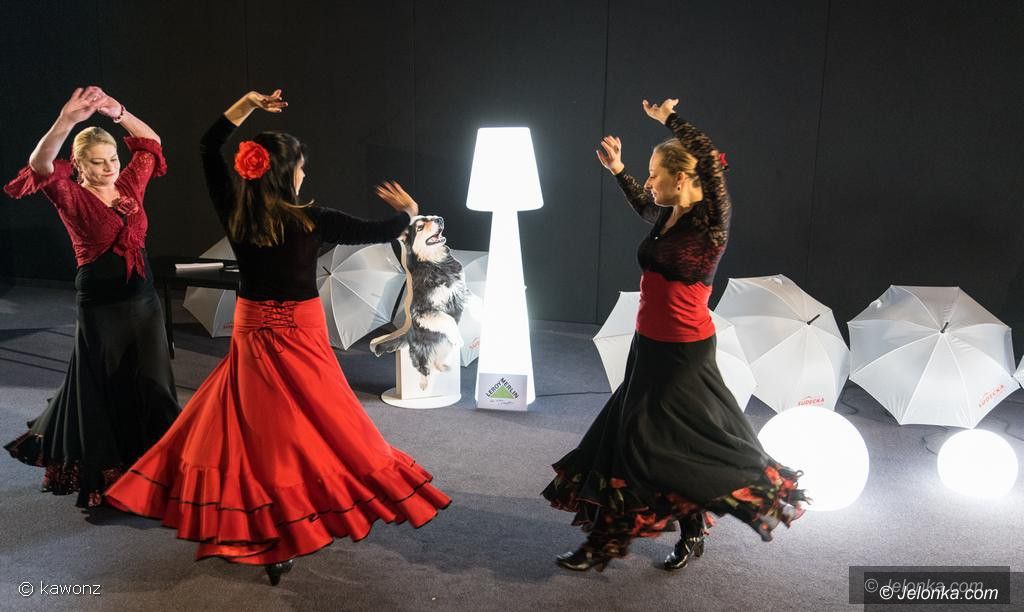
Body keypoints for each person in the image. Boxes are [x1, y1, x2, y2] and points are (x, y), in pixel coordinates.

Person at [104, 90, 450, 586]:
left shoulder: (236, 211)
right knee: (321, 419)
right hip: (301, 330)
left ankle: (266, 524)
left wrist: (246, 105)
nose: (305, 174)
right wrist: (410, 211)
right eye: (302, 167)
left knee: (259, 428)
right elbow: (384, 229)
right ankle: (293, 516)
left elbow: (207, 146)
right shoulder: (315, 219)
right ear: (288, 172)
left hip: (253, 328)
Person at [542, 97, 806, 572]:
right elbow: (644, 205)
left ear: (682, 178)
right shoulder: (668, 214)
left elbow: (709, 161)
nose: (648, 183)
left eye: (653, 174)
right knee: (660, 444)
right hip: (648, 347)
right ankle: (692, 529)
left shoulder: (711, 223)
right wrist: (619, 171)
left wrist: (670, 120)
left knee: (640, 443)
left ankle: (603, 545)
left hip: (684, 355)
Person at [4, 86, 180, 508]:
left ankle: (160, 470)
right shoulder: (70, 195)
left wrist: (118, 112)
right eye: (98, 162)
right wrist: (67, 120)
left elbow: (150, 143)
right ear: (79, 165)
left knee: (156, 384)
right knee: (106, 388)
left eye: (113, 159)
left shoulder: (129, 186)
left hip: (144, 302)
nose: (108, 168)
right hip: (101, 307)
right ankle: (111, 477)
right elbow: (40, 164)